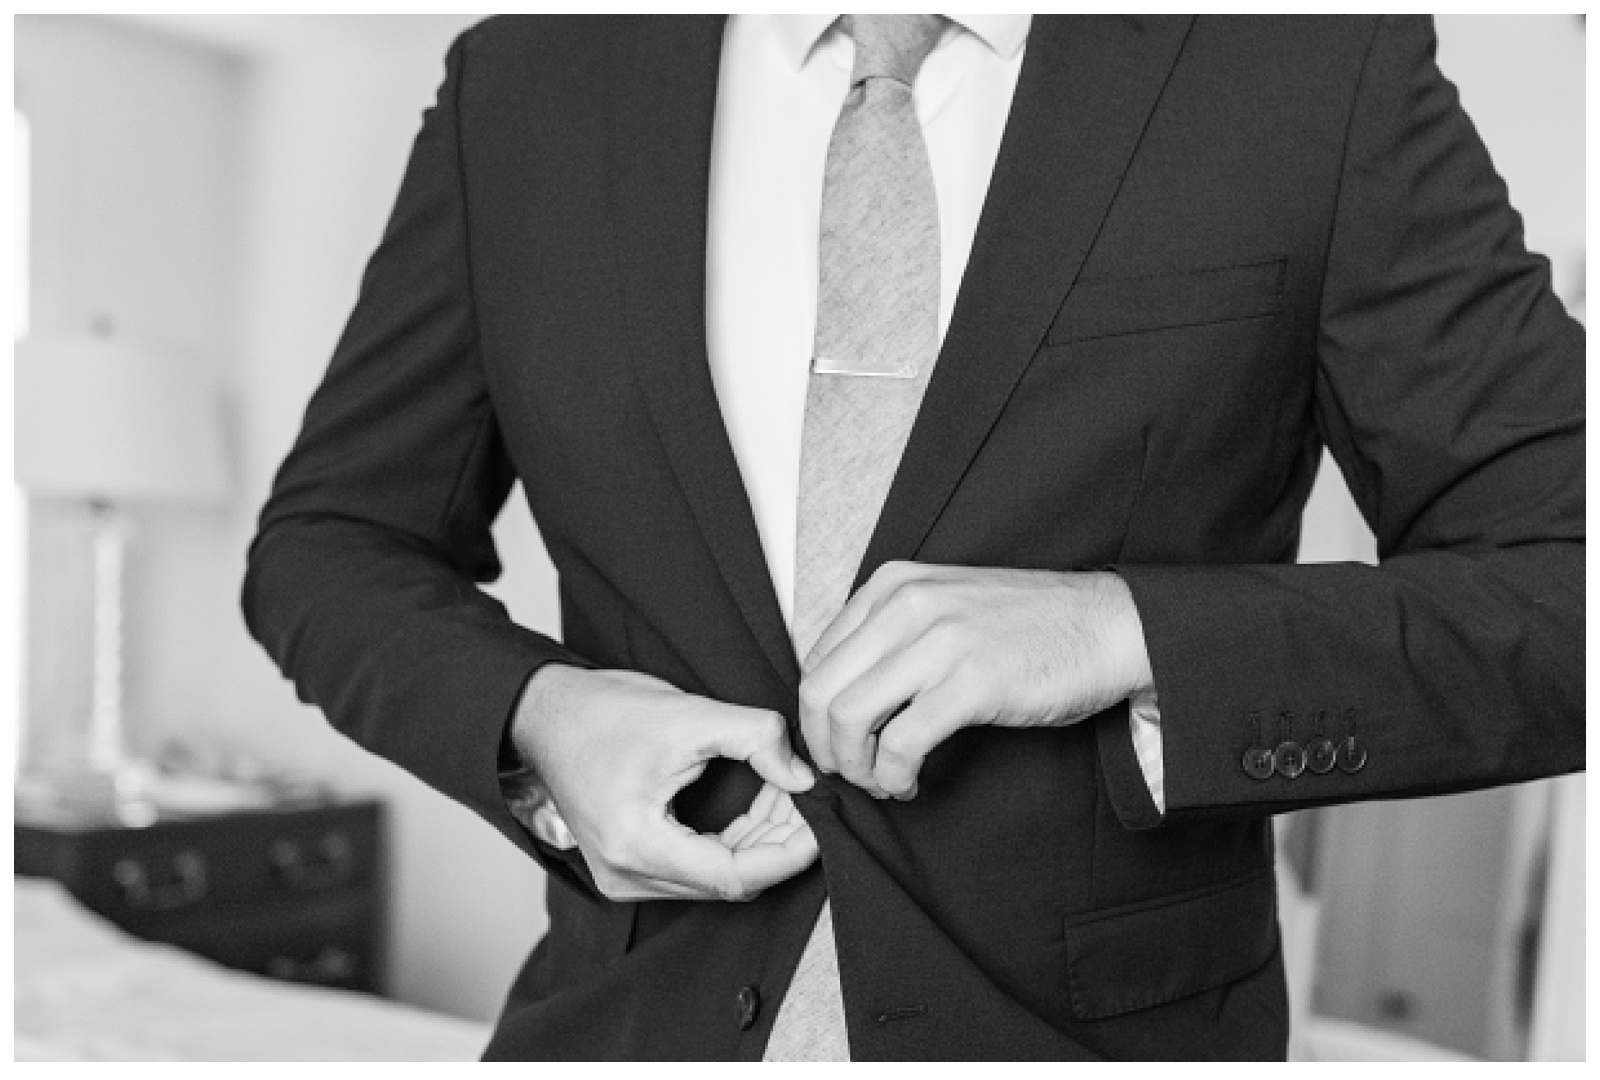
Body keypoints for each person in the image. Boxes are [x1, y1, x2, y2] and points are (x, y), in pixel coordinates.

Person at [243, 15, 1584, 1061]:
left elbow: (1562, 584)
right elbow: (328, 541)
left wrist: (1117, 628)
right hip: (623, 1027)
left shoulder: (1306, 62)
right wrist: (536, 719)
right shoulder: (523, 81)